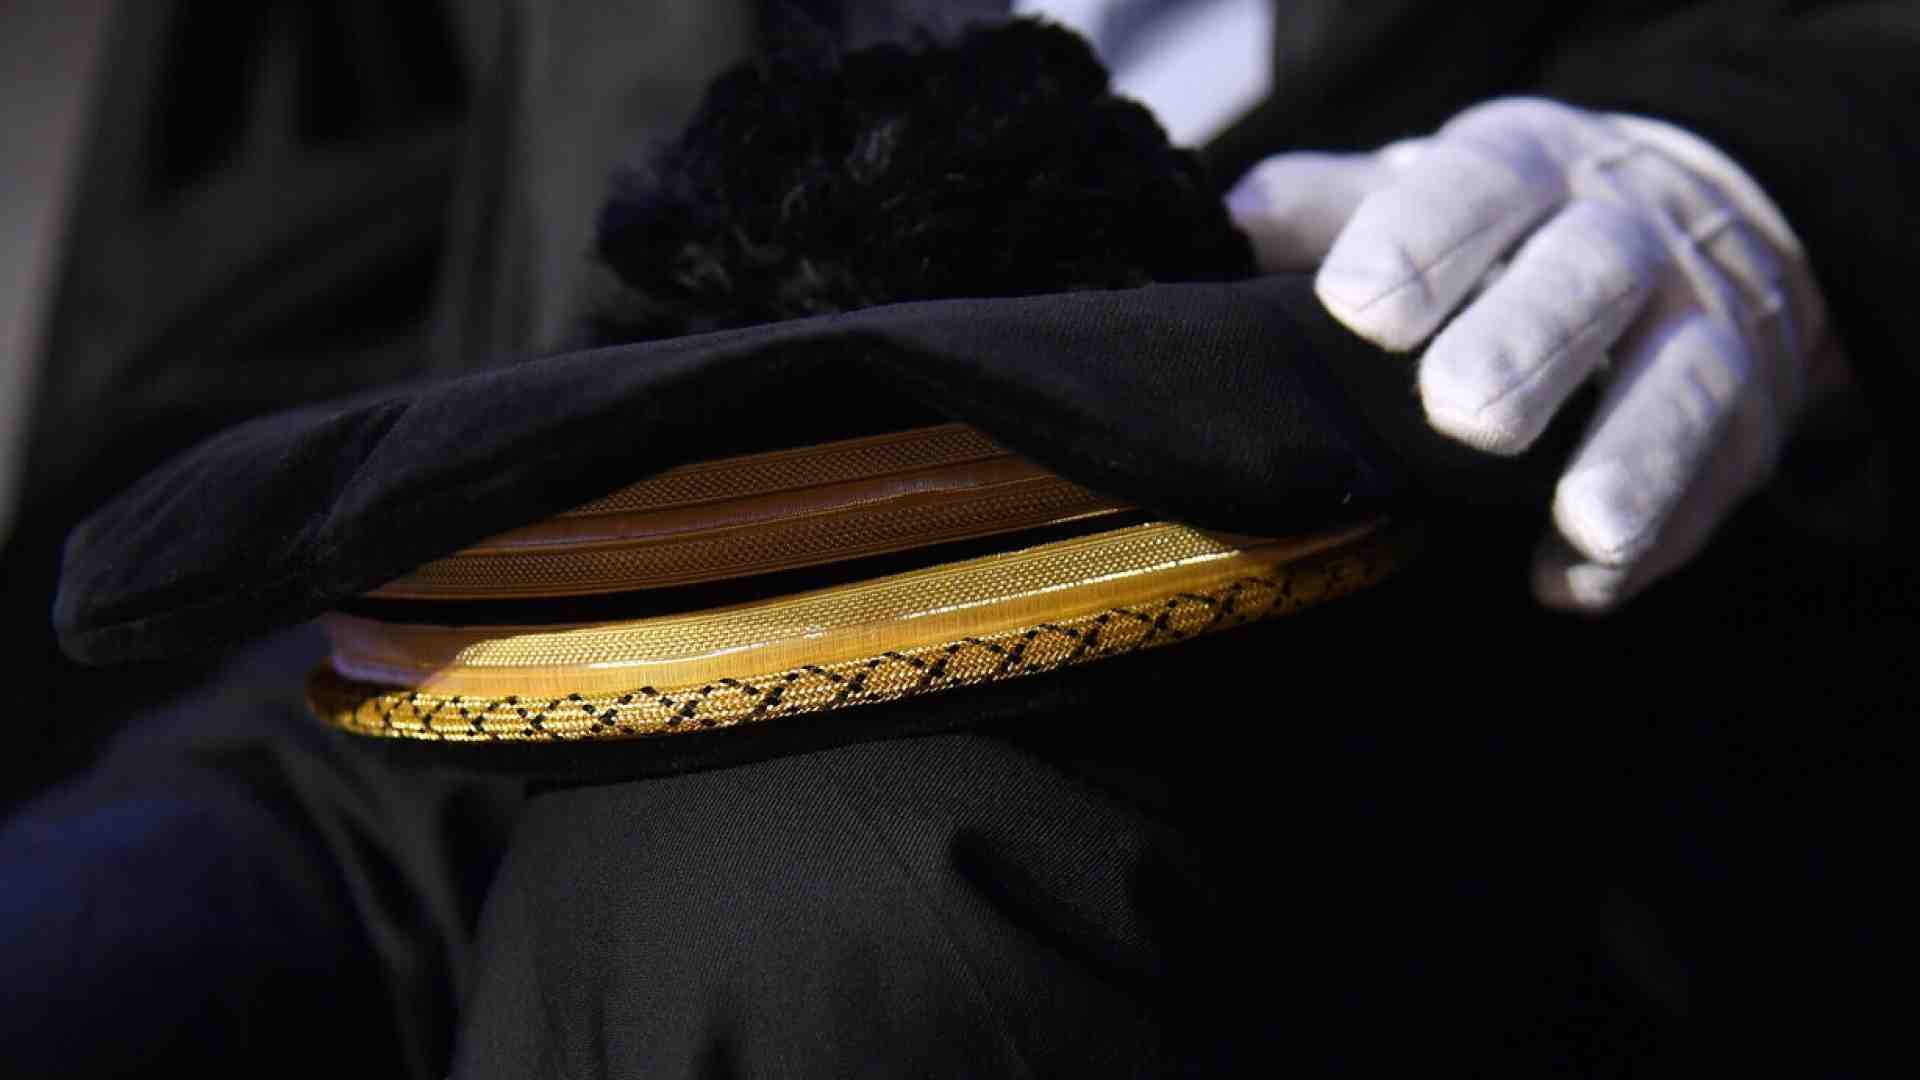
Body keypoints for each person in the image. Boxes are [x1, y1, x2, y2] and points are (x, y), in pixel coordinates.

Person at [6, 4, 1916, 1077]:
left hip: (1403, 694)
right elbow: (319, 201)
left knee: (819, 916)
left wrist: (1795, 171)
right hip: (468, 635)